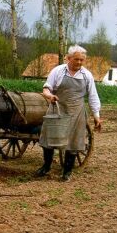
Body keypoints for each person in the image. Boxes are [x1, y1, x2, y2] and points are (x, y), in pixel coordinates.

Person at [37, 45, 103, 181]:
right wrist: (50, 96)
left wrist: (97, 116)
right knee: (48, 138)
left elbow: (93, 96)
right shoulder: (58, 71)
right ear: (68, 58)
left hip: (76, 112)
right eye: (76, 59)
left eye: (82, 60)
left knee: (73, 142)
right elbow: (46, 89)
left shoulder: (87, 75)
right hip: (57, 109)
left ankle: (67, 171)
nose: (79, 62)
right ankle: (46, 166)